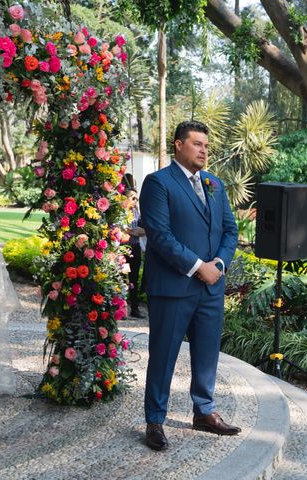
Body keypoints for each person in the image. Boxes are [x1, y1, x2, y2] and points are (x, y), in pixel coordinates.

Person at [139, 120, 239, 451]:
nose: (203, 149)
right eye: (197, 143)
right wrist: (199, 268)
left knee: (207, 353)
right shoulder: (158, 183)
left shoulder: (214, 183)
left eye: (206, 145)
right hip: (172, 287)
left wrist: (219, 265)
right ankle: (155, 419)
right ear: (178, 145)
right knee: (164, 354)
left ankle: (204, 411)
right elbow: (160, 236)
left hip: (211, 288)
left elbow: (229, 230)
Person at [123, 188, 146, 319]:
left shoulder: (137, 212)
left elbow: (144, 230)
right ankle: (121, 308)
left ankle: (135, 309)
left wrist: (130, 231)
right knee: (121, 278)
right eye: (132, 197)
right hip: (123, 248)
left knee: (134, 279)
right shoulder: (121, 212)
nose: (135, 200)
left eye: (136, 198)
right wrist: (133, 231)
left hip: (135, 248)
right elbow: (120, 228)